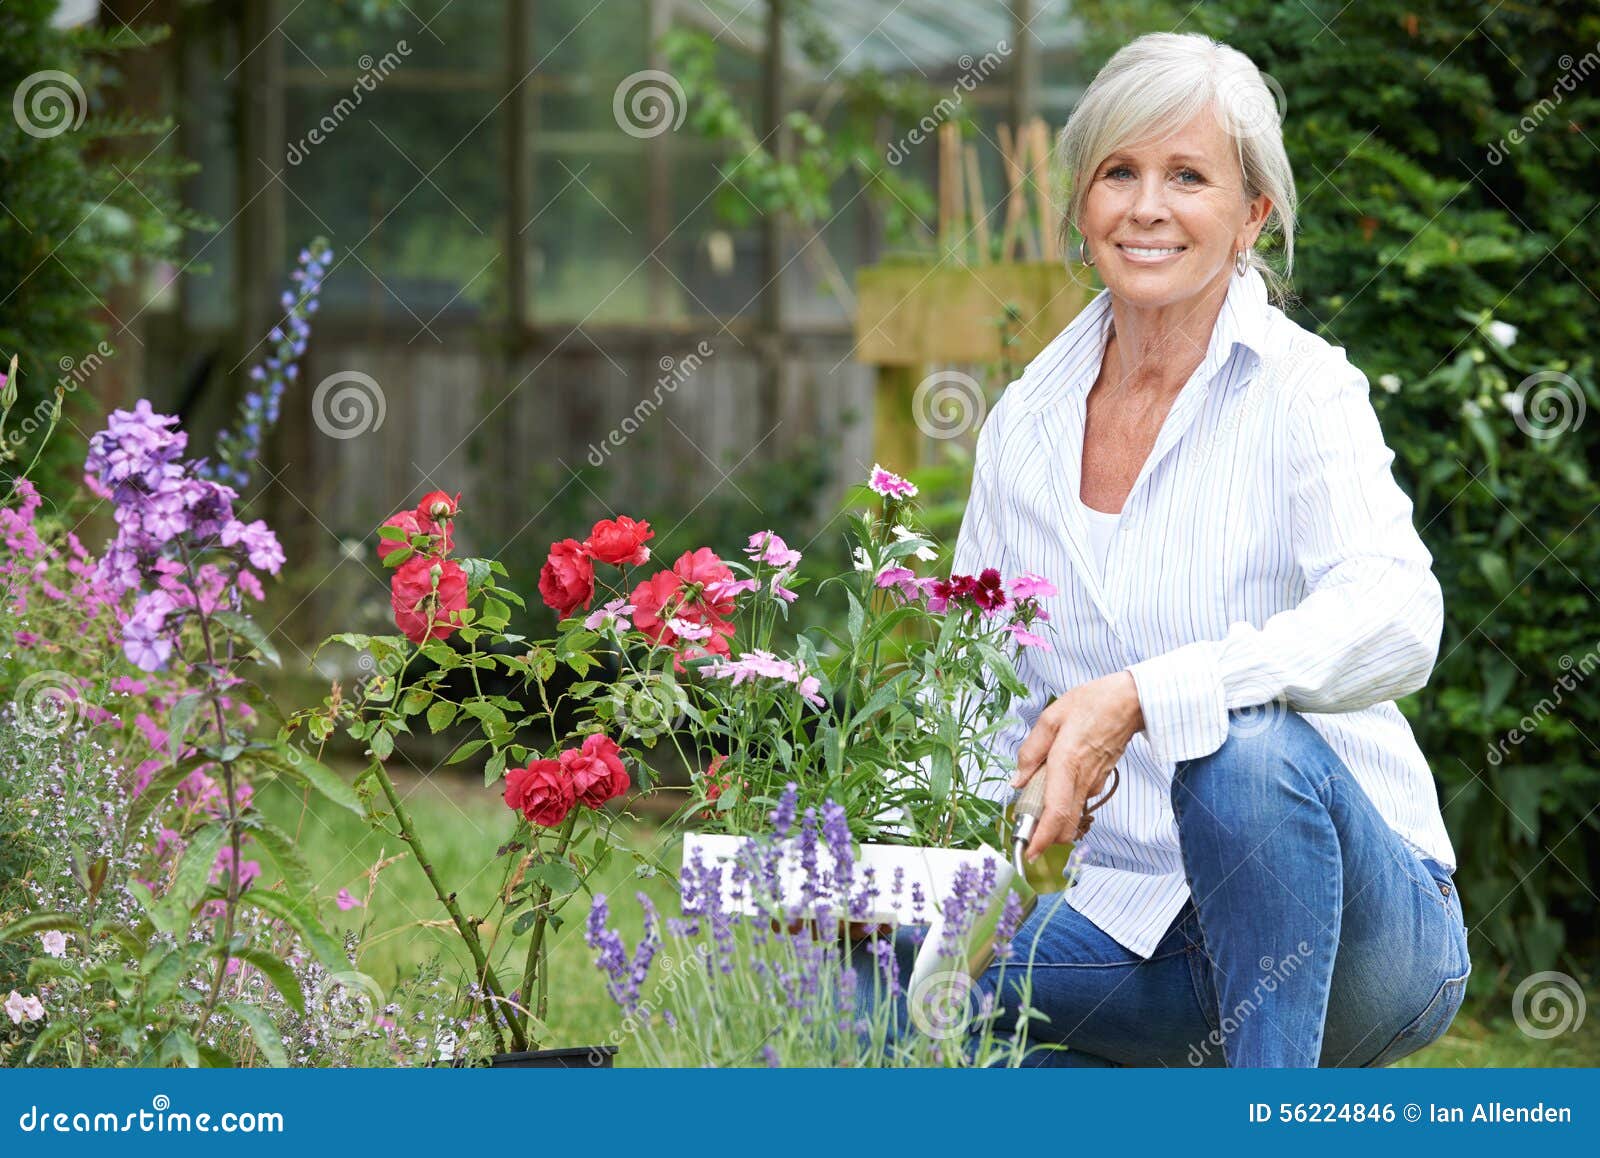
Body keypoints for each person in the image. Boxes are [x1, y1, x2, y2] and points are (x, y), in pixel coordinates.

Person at [952, 31, 1467, 1067]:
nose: (1146, 207)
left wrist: (1148, 691)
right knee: (869, 957)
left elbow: (1399, 618)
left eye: (1187, 176)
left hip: (1361, 939)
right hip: (1131, 932)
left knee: (1238, 749)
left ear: (1251, 216)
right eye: (1117, 173)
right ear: (1081, 206)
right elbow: (964, 683)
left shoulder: (1303, 389)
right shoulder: (1025, 422)